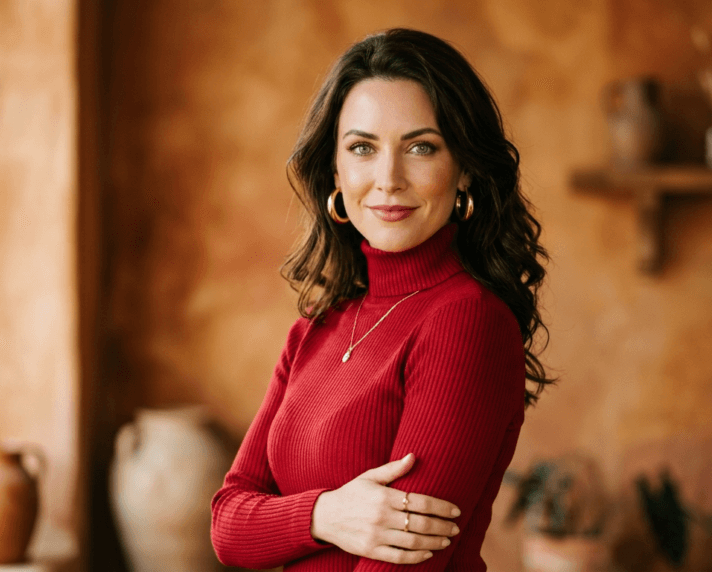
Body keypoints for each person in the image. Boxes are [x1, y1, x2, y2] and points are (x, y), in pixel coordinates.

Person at [210, 28, 554, 571]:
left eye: (420, 147)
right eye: (363, 148)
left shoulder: (467, 321)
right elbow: (228, 525)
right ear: (335, 170)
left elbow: (403, 565)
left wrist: (285, 520)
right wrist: (326, 514)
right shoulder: (316, 331)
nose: (387, 179)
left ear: (464, 168)